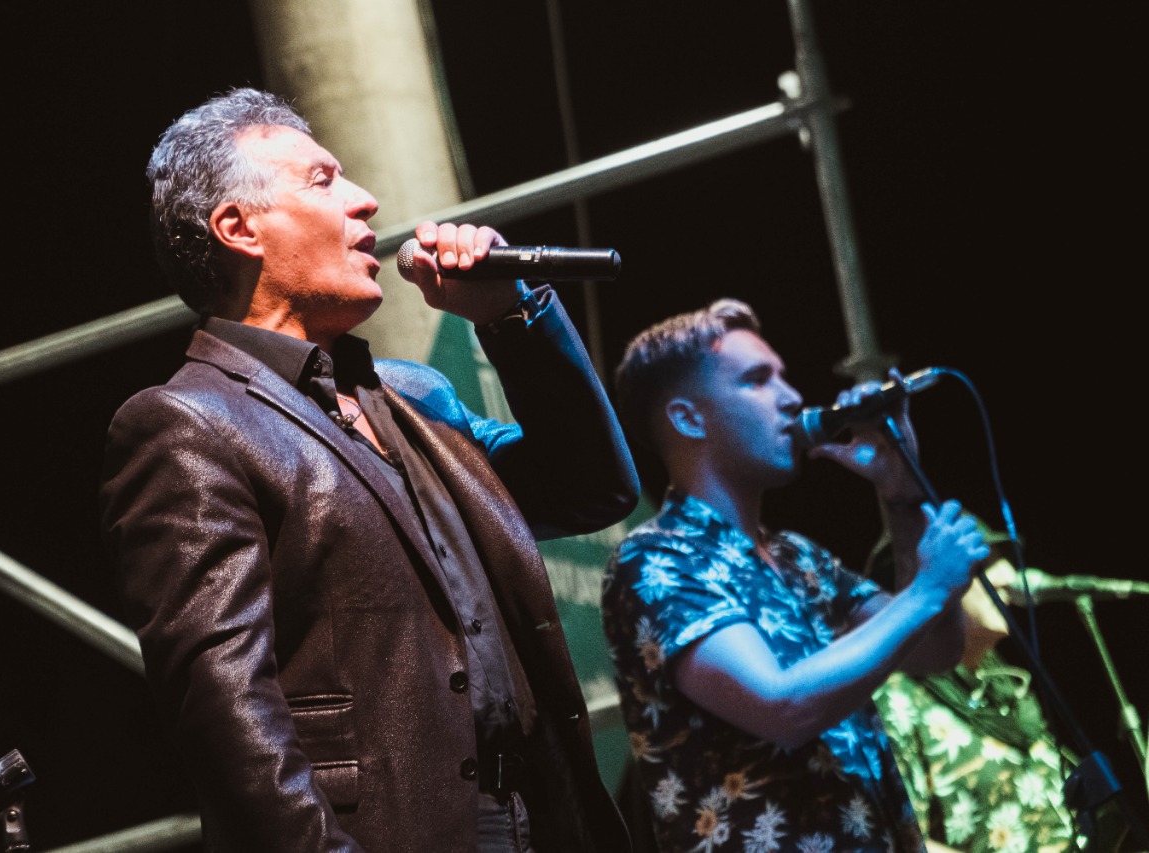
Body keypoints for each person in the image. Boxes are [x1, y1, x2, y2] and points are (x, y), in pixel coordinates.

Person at [98, 86, 639, 853]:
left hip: (539, 819)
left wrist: (508, 314)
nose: (365, 200)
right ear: (238, 227)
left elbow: (591, 489)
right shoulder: (187, 424)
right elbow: (227, 712)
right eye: (323, 180)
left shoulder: (417, 396)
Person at [601, 298, 990, 853]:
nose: (791, 397)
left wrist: (900, 492)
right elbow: (783, 706)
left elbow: (936, 649)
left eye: (783, 377)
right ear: (688, 418)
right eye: (758, 380)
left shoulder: (798, 557)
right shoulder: (655, 560)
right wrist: (928, 589)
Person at [869, 526, 1080, 853]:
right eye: (981, 566)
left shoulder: (1006, 688)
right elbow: (899, 841)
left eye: (1003, 561)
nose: (1008, 575)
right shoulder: (896, 699)